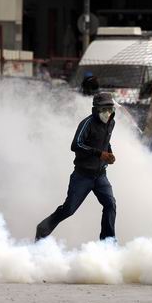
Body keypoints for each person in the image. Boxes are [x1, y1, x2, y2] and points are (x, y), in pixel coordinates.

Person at [35, 92, 117, 241]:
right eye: (104, 109)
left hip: (100, 175)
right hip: (82, 176)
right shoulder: (87, 123)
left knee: (110, 204)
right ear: (96, 109)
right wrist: (99, 154)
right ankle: (42, 230)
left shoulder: (111, 123)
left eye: (110, 109)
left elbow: (106, 142)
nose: (108, 113)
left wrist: (109, 154)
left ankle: (108, 241)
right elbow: (76, 145)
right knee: (69, 209)